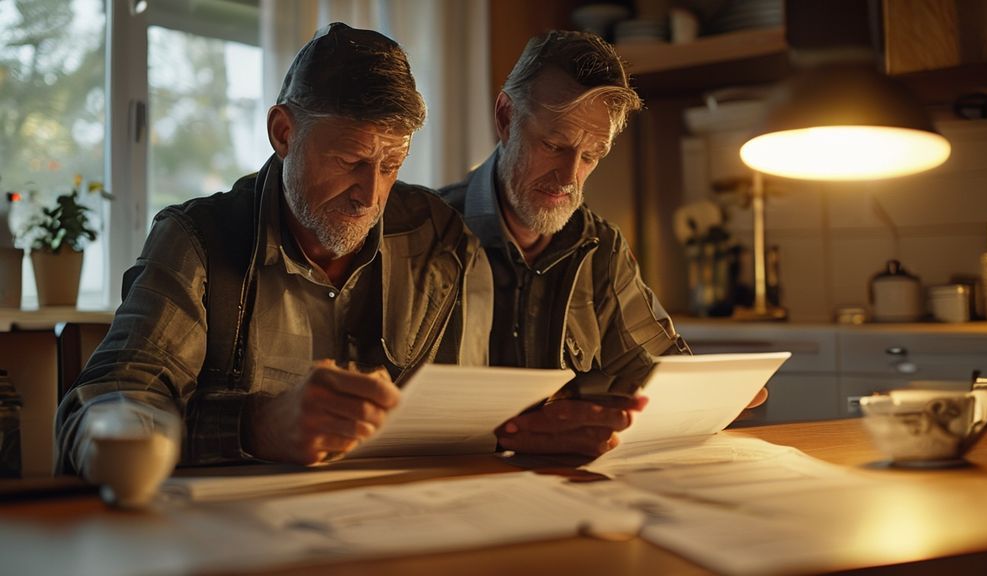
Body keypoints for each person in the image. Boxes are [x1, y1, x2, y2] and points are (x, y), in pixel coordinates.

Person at [56, 22, 491, 476]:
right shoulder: (198, 240)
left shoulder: (441, 241)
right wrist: (255, 429)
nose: (371, 195)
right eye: (349, 161)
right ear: (283, 133)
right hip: (226, 536)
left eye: (391, 165)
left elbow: (465, 422)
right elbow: (110, 403)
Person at [441, 30, 764, 459]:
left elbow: (659, 374)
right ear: (505, 117)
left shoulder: (600, 246)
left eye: (592, 155)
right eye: (554, 145)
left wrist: (714, 395)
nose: (569, 176)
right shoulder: (427, 233)